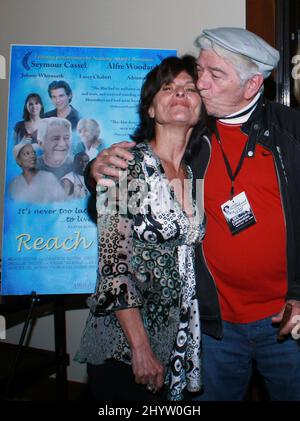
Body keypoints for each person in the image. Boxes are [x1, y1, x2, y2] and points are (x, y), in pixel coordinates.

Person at [86, 27, 300, 401]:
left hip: (283, 322)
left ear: (252, 85)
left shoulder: (291, 132)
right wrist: (95, 172)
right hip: (212, 328)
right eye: (200, 70)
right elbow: (117, 236)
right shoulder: (195, 141)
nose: (199, 85)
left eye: (214, 75)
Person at [75, 55, 206, 401]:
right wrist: (140, 348)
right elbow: (113, 267)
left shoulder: (195, 176)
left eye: (190, 88)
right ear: (150, 109)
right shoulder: (125, 165)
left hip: (177, 343)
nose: (180, 93)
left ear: (200, 107)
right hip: (126, 347)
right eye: (168, 88)